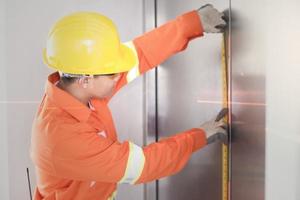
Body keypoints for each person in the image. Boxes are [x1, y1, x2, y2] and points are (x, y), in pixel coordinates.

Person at [30, 4, 227, 200]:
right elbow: (144, 164)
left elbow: (140, 54)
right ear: (85, 80)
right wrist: (199, 136)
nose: (119, 76)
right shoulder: (63, 137)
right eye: (113, 72)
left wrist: (191, 23)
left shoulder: (78, 89)